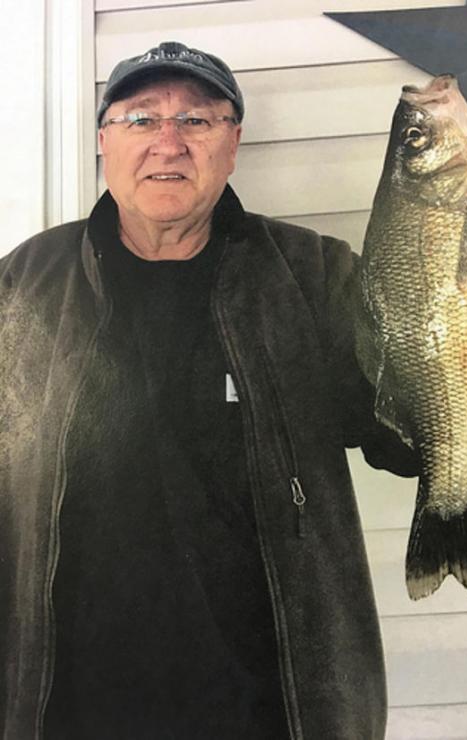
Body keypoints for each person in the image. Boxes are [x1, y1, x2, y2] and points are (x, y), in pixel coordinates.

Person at [0, 41, 417, 740]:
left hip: (271, 700)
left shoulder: (314, 277)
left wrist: (455, 326)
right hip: (65, 698)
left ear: (233, 143)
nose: (169, 141)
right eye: (140, 119)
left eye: (197, 120)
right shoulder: (23, 285)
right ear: (103, 140)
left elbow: (405, 441)